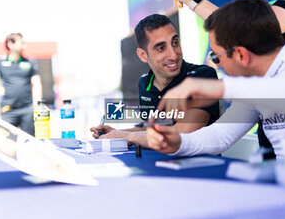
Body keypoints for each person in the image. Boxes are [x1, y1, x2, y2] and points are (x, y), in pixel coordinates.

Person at [146, 0, 285, 160]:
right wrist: (178, 142)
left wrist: (221, 88)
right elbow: (220, 135)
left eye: (216, 57)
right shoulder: (253, 87)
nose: (217, 65)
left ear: (240, 54)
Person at [90, 14, 219, 147]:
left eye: (175, 42)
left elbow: (183, 133)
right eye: (161, 48)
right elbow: (151, 129)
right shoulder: (144, 83)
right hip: (158, 163)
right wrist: (116, 133)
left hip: (202, 165)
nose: (173, 55)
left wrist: (126, 136)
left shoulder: (203, 75)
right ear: (143, 55)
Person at [0, 33, 42, 136]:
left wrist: (37, 104)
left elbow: (37, 83)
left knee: (30, 142)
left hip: (27, 110)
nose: (24, 46)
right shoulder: (0, 63)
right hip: (8, 110)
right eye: (21, 43)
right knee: (7, 142)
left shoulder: (29, 63)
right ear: (10, 44)